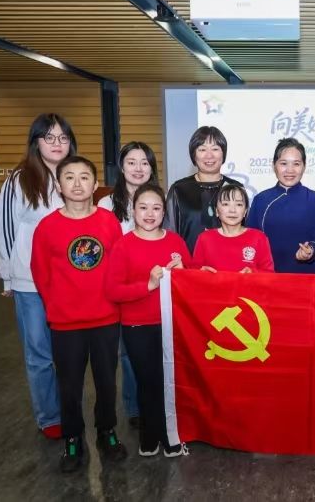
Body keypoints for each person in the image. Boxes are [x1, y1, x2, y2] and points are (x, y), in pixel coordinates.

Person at [30, 156, 126, 473]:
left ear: (95, 184)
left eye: (84, 177)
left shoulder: (108, 222)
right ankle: (72, 437)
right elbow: (40, 272)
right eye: (69, 177)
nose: (76, 183)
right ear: (59, 185)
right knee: (69, 385)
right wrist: (57, 306)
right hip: (66, 322)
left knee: (106, 382)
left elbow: (119, 267)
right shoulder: (47, 227)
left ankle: (106, 430)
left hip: (106, 318)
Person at [0, 113, 76, 440]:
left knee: (67, 353)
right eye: (49, 137)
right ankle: (49, 416)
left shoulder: (74, 176)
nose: (57, 143)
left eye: (63, 138)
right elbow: (6, 230)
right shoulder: (20, 180)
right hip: (30, 282)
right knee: (39, 354)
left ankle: (69, 410)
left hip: (68, 283)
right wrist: (8, 276)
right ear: (36, 141)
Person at [105, 183, 191, 458]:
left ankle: (170, 435)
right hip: (138, 326)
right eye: (143, 207)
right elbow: (113, 291)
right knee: (148, 380)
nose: (150, 214)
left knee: (170, 381)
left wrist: (184, 271)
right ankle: (149, 435)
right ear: (133, 210)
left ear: (164, 212)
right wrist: (149, 285)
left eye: (156, 208)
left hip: (171, 325)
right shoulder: (123, 245)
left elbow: (192, 280)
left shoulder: (175, 242)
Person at [98, 141, 159, 428]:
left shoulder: (160, 199)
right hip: (121, 288)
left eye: (144, 163)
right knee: (126, 351)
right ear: (121, 168)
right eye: (131, 162)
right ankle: (134, 407)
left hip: (154, 287)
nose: (138, 168)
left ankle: (156, 404)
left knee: (153, 351)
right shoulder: (106, 205)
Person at [246, 138, 315, 273]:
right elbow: (250, 240)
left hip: (307, 276)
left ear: (304, 166)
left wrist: (310, 251)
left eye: (296, 164)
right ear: (274, 166)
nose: (290, 170)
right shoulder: (261, 199)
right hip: (268, 276)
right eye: (283, 163)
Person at [164, 126, 242, 253]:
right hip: (188, 263)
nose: (209, 155)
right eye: (202, 149)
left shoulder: (235, 188)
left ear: (223, 153)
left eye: (215, 149)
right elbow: (169, 234)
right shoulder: (179, 189)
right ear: (194, 154)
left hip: (229, 262)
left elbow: (244, 234)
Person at [193, 184, 274, 273]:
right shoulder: (204, 238)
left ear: (245, 211)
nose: (232, 210)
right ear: (216, 211)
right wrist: (200, 273)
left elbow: (269, 274)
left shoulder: (259, 238)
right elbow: (193, 273)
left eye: (239, 204)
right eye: (225, 204)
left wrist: (253, 273)